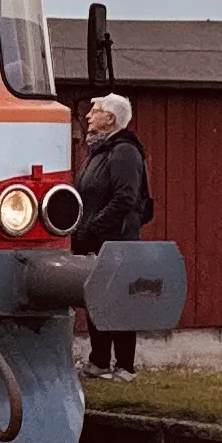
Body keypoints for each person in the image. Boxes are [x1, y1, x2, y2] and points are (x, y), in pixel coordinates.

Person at [70, 91, 152, 375]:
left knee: (119, 302)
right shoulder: (97, 152)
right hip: (96, 241)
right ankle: (100, 361)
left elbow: (125, 198)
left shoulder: (124, 152)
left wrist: (94, 227)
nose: (89, 115)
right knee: (97, 299)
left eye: (96, 111)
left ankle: (125, 367)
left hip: (117, 241)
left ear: (111, 118)